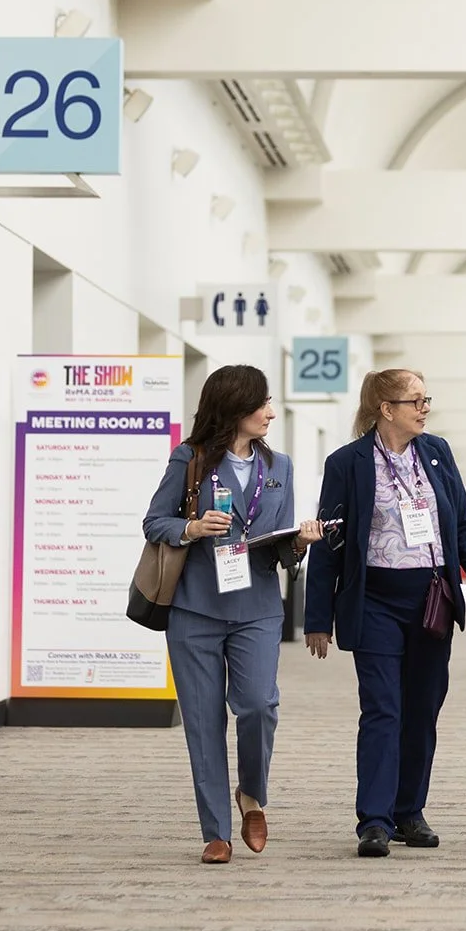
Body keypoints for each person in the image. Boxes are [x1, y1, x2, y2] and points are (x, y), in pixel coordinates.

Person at [304, 369, 466, 857]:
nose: (425, 408)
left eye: (426, 399)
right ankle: (374, 819)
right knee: (382, 707)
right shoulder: (347, 463)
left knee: (422, 708)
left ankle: (410, 811)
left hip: (431, 599)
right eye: (416, 401)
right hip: (374, 601)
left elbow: (463, 523)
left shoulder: (437, 452)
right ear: (386, 409)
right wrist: (318, 618)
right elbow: (328, 540)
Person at [143, 365, 323, 864]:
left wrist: (300, 544)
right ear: (233, 407)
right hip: (195, 608)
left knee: (259, 705)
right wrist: (192, 528)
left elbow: (280, 551)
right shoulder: (191, 459)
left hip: (257, 607)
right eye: (261, 403)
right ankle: (216, 832)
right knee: (203, 721)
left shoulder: (280, 466)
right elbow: (155, 522)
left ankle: (251, 794)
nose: (270, 413)